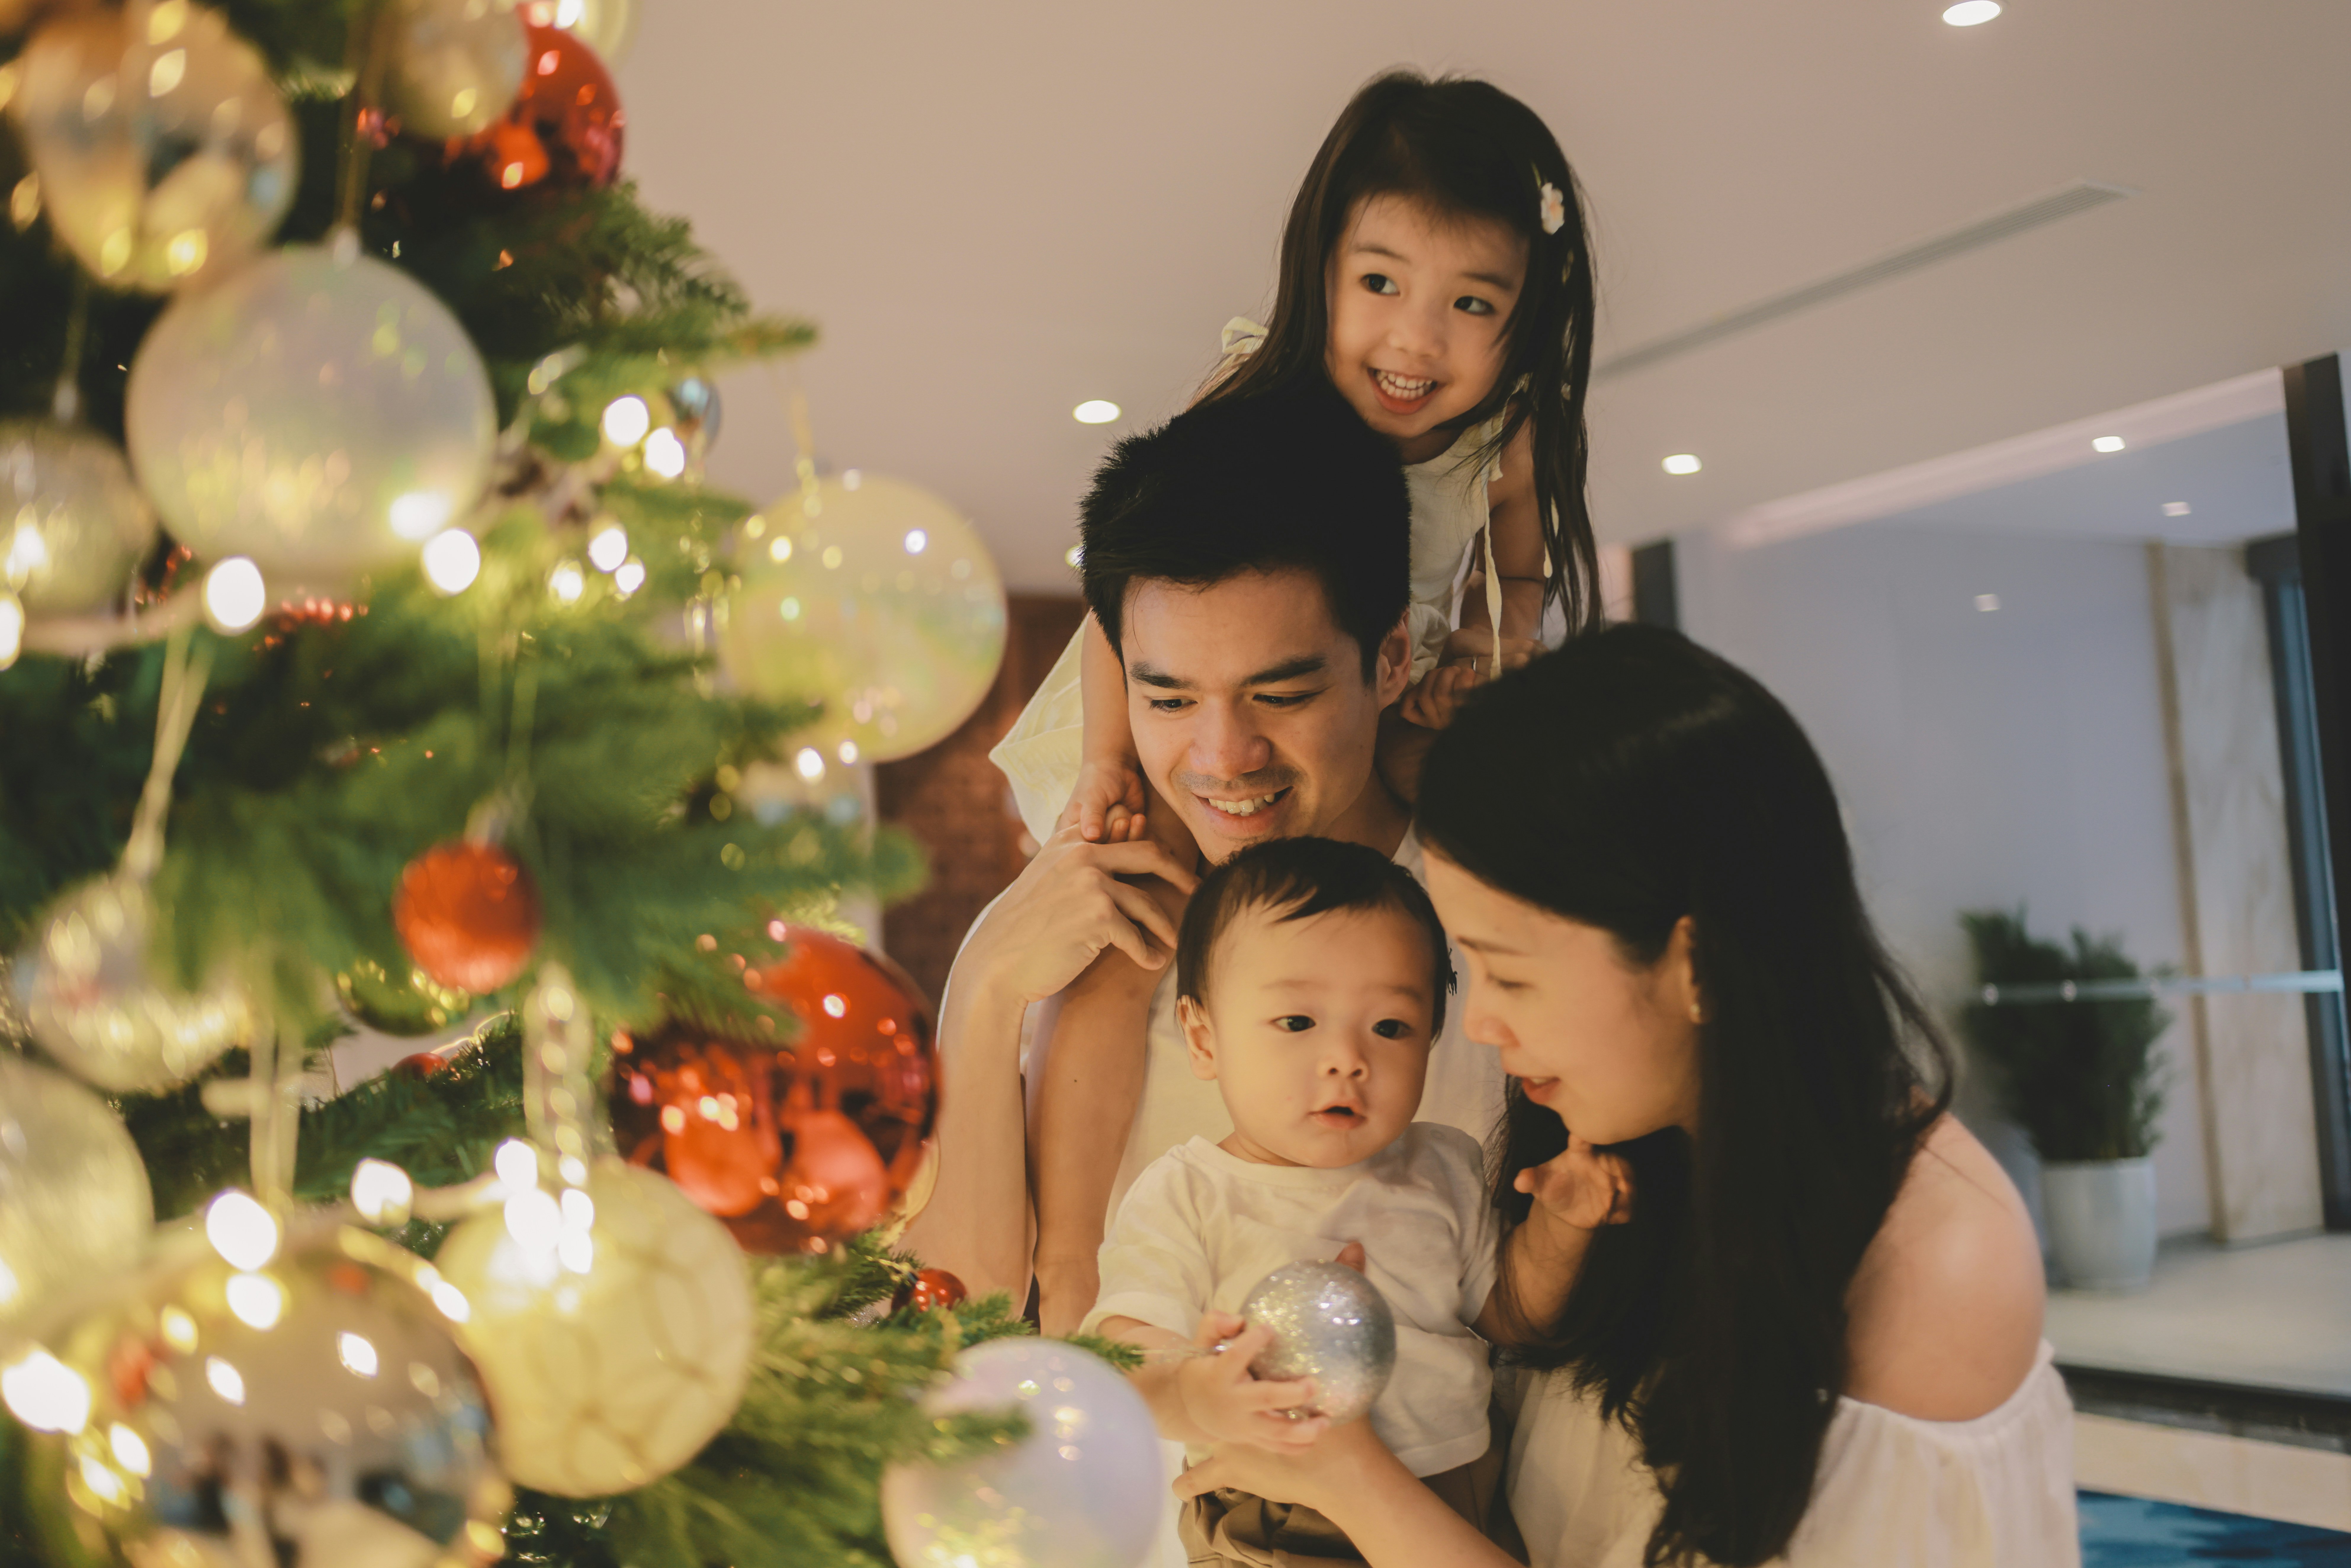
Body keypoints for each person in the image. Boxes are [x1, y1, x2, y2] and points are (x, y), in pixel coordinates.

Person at [1173, 626, 2076, 1568]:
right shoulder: (1629, 1151)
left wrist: (1346, 1479)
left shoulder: (1932, 1267)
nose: (1478, 1025)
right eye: (1463, 968)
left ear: (1693, 963)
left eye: (1512, 978)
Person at [1002, 70, 1603, 1328]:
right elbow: (1132, 595)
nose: (1412, 340)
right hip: (1169, 722)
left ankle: (1470, 1151)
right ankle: (1066, 1252)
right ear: (1318, 269)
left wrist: (1491, 648)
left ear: (1525, 315)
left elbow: (1522, 562)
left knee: (1448, 853)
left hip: (1361, 713)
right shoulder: (1253, 399)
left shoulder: (1506, 432)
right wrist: (1114, 762)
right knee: (1124, 948)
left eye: (1469, 303)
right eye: (1378, 284)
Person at [900, 383, 1505, 1319]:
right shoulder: (1085, 928)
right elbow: (962, 1309)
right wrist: (982, 986)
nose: (1224, 760)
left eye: (1282, 694)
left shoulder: (1495, 919)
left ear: (1389, 661)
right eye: (1171, 701)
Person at [1090, 836, 1563, 1565]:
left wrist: (1566, 1223)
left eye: (1391, 1027)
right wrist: (1198, 1390)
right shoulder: (1189, 1192)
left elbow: (1511, 1315)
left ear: (1431, 1039)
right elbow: (1118, 1349)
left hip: (1454, 1488)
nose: (1348, 1057)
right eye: (1298, 1022)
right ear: (1203, 1036)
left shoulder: (1443, 1166)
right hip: (1272, 1506)